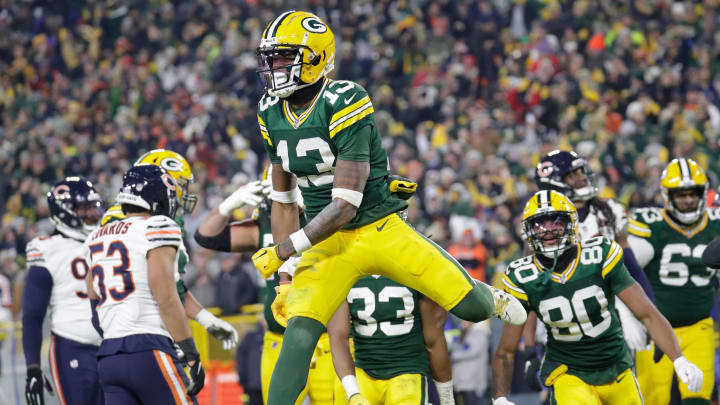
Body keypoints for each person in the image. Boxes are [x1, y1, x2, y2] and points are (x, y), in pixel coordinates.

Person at [250, 11, 526, 405]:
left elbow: (345, 204)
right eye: (271, 58)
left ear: (315, 57)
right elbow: (283, 198)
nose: (274, 67)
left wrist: (284, 250)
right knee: (298, 330)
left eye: (283, 57)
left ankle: (486, 294)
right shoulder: (269, 111)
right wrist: (286, 274)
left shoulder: (344, 99)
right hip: (328, 245)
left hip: (377, 228)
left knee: (473, 308)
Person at [492, 190, 703, 405]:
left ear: (571, 224)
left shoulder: (599, 256)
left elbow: (647, 314)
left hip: (615, 366)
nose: (547, 230)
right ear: (528, 231)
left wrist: (678, 359)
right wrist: (499, 397)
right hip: (568, 372)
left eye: (556, 222)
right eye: (539, 224)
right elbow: (505, 350)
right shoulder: (522, 276)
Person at [194, 168, 337, 404]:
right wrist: (228, 206)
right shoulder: (262, 227)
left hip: (325, 340)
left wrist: (311, 208)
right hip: (278, 340)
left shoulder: (324, 221)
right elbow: (205, 236)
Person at [85, 165, 204, 404]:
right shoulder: (158, 226)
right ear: (159, 199)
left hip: (109, 356)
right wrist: (191, 354)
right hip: (149, 349)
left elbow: (92, 296)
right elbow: (167, 299)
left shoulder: (98, 235)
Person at [101, 149, 239, 350]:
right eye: (181, 184)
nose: (185, 192)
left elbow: (171, 284)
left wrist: (204, 318)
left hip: (141, 331)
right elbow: (158, 290)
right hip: (134, 332)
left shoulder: (161, 219)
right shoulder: (129, 220)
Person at [627, 158, 719, 405]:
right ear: (668, 195)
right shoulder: (651, 224)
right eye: (681, 194)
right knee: (652, 398)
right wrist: (627, 317)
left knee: (698, 397)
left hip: (699, 325)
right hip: (656, 328)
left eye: (693, 193)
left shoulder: (715, 223)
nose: (688, 200)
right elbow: (626, 274)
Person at [23, 176, 105, 405]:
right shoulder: (48, 249)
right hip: (72, 345)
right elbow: (32, 315)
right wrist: (33, 369)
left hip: (114, 345)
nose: (92, 213)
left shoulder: (108, 240)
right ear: (64, 212)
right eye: (84, 208)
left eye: (93, 206)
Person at [327, 275, 455, 405]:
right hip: (363, 368)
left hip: (407, 371)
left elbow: (434, 340)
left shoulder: (417, 270)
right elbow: (338, 336)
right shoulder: (347, 271)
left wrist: (447, 399)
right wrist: (353, 392)